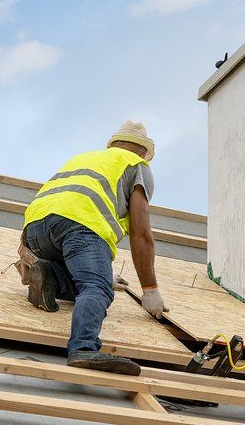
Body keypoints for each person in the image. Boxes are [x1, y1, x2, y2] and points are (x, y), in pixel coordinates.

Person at [15, 121, 168, 376]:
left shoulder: (86, 158)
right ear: (143, 152)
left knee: (82, 281)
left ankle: (50, 274)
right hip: (81, 225)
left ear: (114, 144)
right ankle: (84, 348)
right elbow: (141, 233)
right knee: (97, 287)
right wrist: (150, 289)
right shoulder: (137, 166)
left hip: (35, 229)